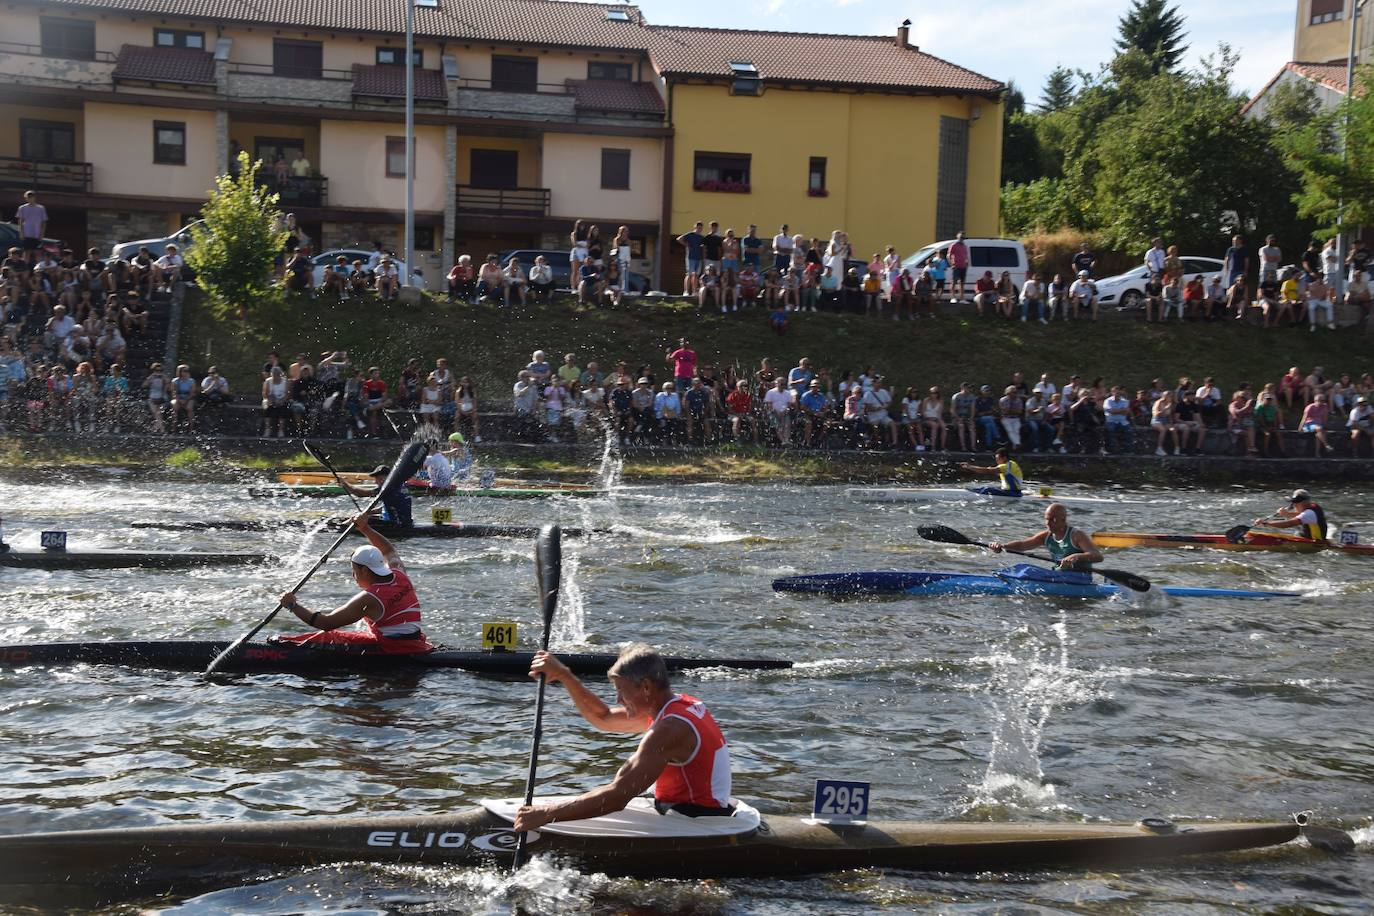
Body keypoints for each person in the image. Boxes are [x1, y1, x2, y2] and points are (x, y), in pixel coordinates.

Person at [513, 643, 733, 832]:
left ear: (646, 687)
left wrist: (545, 815)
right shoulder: (677, 705)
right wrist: (564, 675)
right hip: (681, 807)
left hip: (695, 819)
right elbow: (604, 717)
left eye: (621, 691)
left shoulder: (670, 729)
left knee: (610, 793)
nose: (618, 699)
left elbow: (617, 798)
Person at [275, 512, 433, 654]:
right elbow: (389, 551)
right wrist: (365, 528)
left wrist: (292, 606)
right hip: (415, 641)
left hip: (393, 649)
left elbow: (326, 623)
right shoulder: (399, 575)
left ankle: (275, 648)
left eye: (354, 571)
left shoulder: (370, 598)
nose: (353, 575)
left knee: (328, 637)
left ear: (364, 570)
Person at [990, 503, 1104, 576]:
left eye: (1052, 520)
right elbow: (1021, 546)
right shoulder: (1046, 536)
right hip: (1058, 575)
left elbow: (1098, 556)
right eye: (1046, 519)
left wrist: (1076, 557)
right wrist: (1002, 546)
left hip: (1080, 577)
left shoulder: (1076, 535)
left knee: (1030, 572)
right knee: (1024, 569)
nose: (1048, 524)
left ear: (1063, 520)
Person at [342, 463, 415, 529]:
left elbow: (360, 494)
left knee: (353, 520)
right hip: (404, 522)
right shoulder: (399, 486)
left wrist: (344, 484)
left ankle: (340, 527)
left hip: (395, 525)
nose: (375, 481)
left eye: (377, 478)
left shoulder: (388, 488)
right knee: (360, 517)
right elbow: (389, 507)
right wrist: (367, 513)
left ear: (386, 477)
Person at [1256, 489, 1328, 542]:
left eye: (1296, 503)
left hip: (1316, 544)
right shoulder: (1312, 507)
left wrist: (1265, 523)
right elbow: (1301, 515)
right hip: (1307, 539)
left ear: (1305, 502)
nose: (1294, 505)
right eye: (1293, 503)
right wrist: (1287, 514)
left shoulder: (1309, 513)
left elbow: (1288, 524)